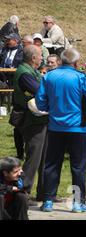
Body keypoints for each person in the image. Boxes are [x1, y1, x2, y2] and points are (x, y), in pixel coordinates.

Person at [35, 48, 86, 213]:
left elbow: (40, 102)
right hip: (78, 128)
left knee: (51, 164)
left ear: (61, 61)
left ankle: (48, 201)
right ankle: (78, 203)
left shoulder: (49, 76)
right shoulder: (80, 77)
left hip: (55, 127)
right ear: (76, 62)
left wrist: (49, 108)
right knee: (78, 166)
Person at [12, 45, 48, 203]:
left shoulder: (30, 71)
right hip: (32, 122)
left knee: (45, 158)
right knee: (33, 158)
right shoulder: (25, 73)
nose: (42, 59)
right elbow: (39, 91)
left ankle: (45, 193)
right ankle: (23, 193)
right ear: (33, 58)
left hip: (41, 120)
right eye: (40, 56)